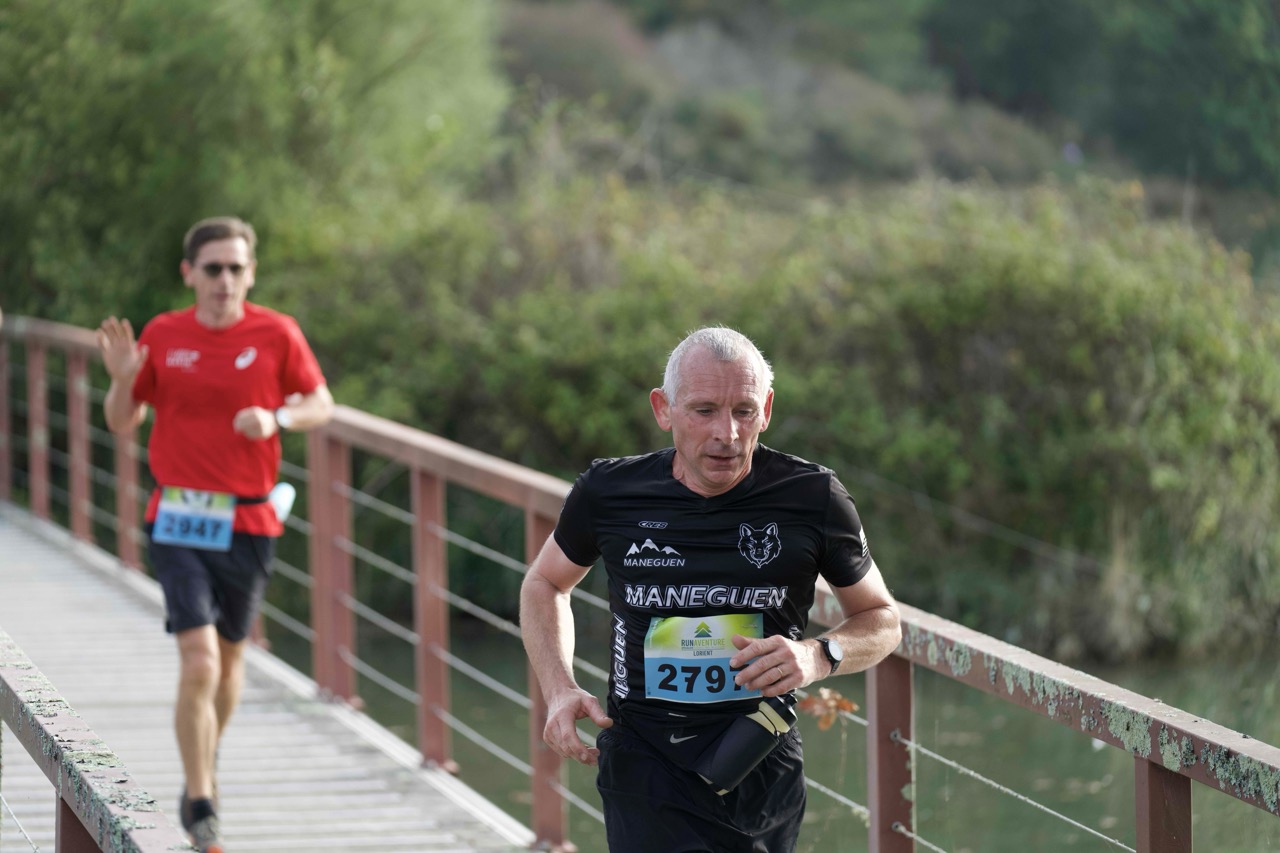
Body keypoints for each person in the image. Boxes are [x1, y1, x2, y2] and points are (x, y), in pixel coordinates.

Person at [520, 326, 902, 852]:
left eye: (744, 411)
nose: (728, 433)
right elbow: (544, 582)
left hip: (759, 757)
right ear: (663, 409)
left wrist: (819, 655)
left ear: (767, 410)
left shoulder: (812, 496)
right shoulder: (609, 492)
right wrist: (559, 688)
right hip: (645, 762)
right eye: (704, 411)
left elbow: (882, 619)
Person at [98, 216, 334, 853]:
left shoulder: (276, 332)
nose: (224, 280)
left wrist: (277, 416)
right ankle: (202, 806)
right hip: (176, 518)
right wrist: (121, 379)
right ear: (189, 274)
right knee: (199, 659)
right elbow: (122, 421)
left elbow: (321, 403)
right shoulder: (164, 334)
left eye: (236, 268)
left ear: (250, 274)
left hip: (248, 521)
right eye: (212, 269)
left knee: (230, 662)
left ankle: (203, 756)